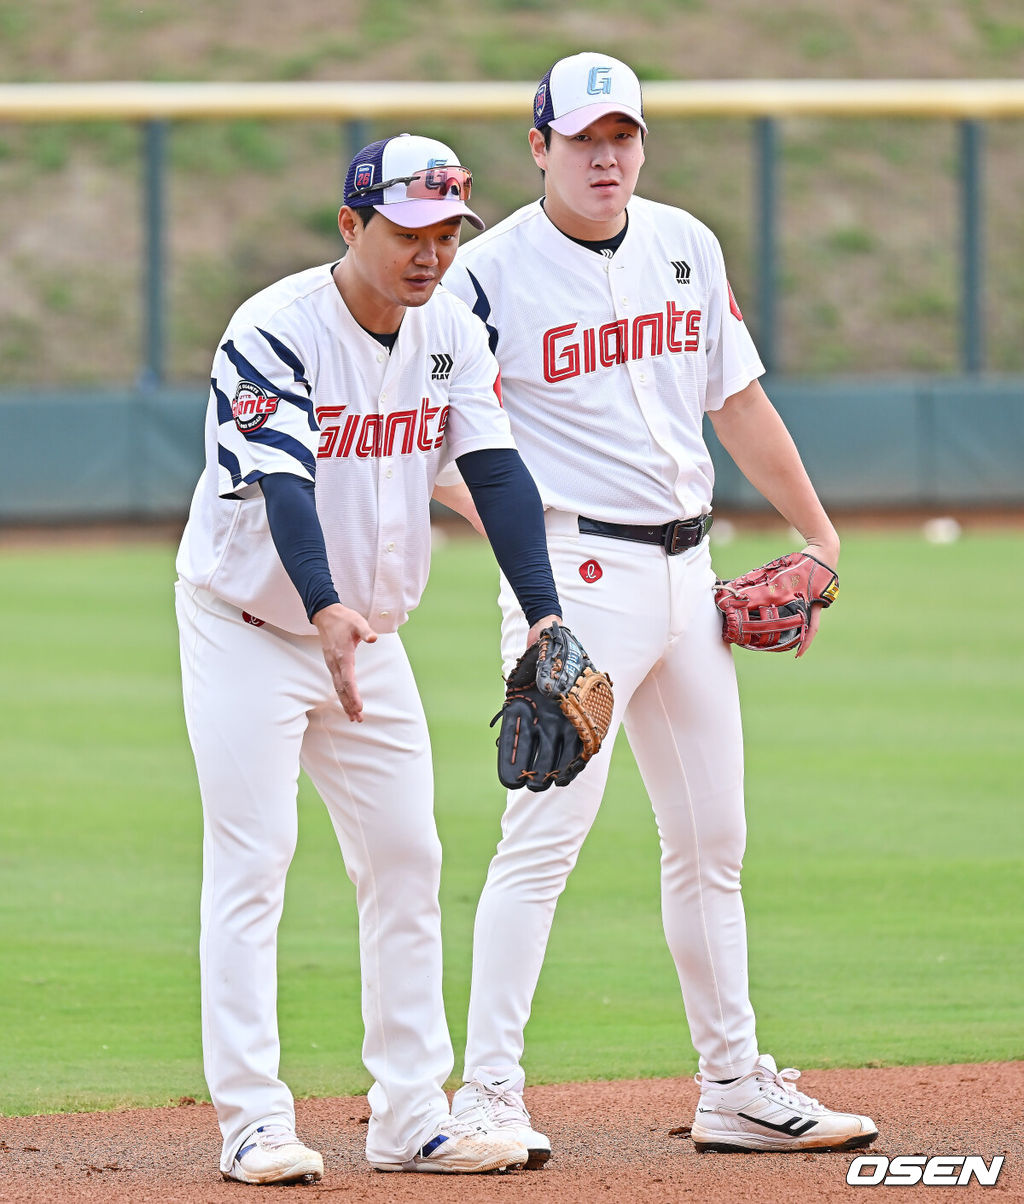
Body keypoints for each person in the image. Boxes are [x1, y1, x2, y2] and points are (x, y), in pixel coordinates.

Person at [441, 52, 879, 1164]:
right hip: (571, 580)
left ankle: (732, 1081)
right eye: (583, 138)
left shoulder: (686, 242)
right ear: (537, 147)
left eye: (622, 135)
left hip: (688, 579)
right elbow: (440, 446)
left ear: (641, 142)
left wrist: (817, 532)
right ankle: (485, 1091)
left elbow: (734, 397)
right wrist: (524, 575)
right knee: (543, 840)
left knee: (711, 841)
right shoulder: (483, 277)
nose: (606, 156)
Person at [174, 132, 568, 1184]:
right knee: (253, 863)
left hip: (368, 640)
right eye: (407, 230)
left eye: (447, 231)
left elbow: (492, 469)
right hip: (249, 625)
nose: (431, 251)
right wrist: (326, 604)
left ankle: (409, 1117)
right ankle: (254, 1120)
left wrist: (543, 613)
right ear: (350, 226)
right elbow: (287, 485)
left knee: (407, 858)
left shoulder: (450, 330)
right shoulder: (272, 329)